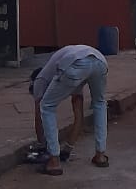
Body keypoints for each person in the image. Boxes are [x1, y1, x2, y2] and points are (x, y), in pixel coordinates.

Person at [31, 44, 110, 177]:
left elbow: (39, 114)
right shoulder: (67, 74)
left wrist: (42, 145)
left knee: (47, 106)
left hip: (75, 63)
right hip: (99, 60)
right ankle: (100, 155)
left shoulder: (40, 80)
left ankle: (54, 162)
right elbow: (78, 116)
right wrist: (68, 148)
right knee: (100, 103)